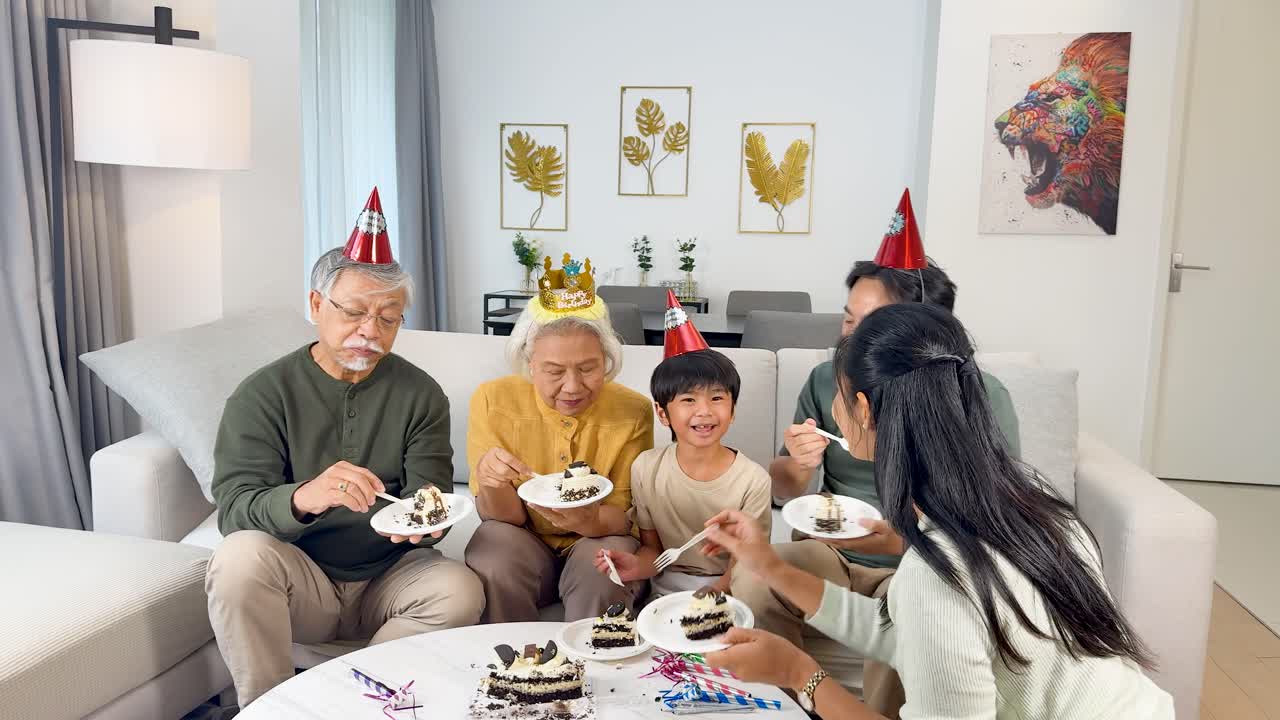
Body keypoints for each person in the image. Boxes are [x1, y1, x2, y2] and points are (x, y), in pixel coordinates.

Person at [703, 302, 1174, 719]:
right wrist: (766, 564)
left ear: (864, 411)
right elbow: (908, 637)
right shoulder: (1032, 498)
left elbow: (932, 613)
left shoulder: (937, 577)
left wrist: (798, 672)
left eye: (840, 398)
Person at [738, 189, 1021, 716]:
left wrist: (802, 672)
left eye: (869, 325)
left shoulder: (978, 406)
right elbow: (783, 486)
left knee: (904, 624)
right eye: (847, 319)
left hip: (917, 560)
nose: (849, 337)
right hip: (846, 552)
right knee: (759, 579)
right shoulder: (828, 381)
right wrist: (799, 471)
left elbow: (975, 533)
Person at [206, 188, 484, 706]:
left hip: (388, 575)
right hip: (300, 577)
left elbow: (431, 495)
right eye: (355, 311)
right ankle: (270, 710)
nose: (369, 331)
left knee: (460, 589)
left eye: (388, 317)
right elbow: (235, 510)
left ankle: (355, 707)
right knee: (239, 557)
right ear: (316, 305)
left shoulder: (420, 393)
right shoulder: (264, 393)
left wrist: (428, 523)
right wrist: (305, 496)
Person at [465, 253, 653, 622]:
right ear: (529, 362)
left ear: (608, 361)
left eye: (588, 369)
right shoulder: (492, 399)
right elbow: (502, 518)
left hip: (596, 537)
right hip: (523, 540)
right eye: (553, 371)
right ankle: (519, 669)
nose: (572, 387)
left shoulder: (634, 411)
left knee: (604, 565)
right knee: (493, 546)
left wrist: (583, 521)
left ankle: (596, 666)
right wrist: (492, 481)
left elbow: (622, 518)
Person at [593, 292, 771, 597]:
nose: (704, 411)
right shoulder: (646, 468)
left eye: (717, 398)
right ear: (662, 413)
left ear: (733, 409)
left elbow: (748, 561)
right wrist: (636, 566)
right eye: (688, 400)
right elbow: (654, 550)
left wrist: (714, 593)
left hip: (733, 586)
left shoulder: (753, 480)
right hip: (667, 586)